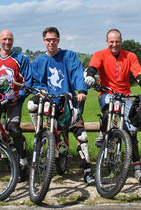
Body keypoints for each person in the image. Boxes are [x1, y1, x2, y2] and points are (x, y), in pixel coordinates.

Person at [27, 27, 95, 185]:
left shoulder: (69, 56)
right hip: (49, 103)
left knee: (82, 136)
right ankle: (40, 133)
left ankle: (87, 171)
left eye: (54, 39)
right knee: (31, 103)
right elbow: (35, 82)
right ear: (44, 41)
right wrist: (40, 90)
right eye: (48, 40)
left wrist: (82, 90)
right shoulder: (38, 62)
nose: (51, 42)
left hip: (68, 102)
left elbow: (77, 73)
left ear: (59, 40)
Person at [84, 29, 141, 183]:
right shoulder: (99, 54)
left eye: (117, 41)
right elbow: (92, 68)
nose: (114, 44)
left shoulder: (130, 56)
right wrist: (89, 77)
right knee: (108, 104)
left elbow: (139, 75)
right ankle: (103, 131)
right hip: (107, 93)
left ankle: (137, 168)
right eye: (111, 41)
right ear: (107, 42)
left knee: (132, 131)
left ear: (121, 41)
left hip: (126, 94)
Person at [0, 29, 32, 182]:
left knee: (13, 129)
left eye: (10, 39)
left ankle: (22, 160)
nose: (7, 42)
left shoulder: (21, 59)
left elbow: (27, 82)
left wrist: (19, 96)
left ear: (13, 41)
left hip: (13, 100)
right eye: (4, 39)